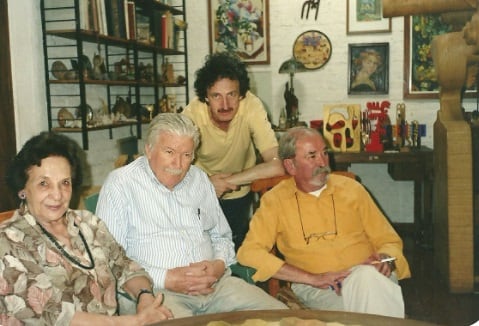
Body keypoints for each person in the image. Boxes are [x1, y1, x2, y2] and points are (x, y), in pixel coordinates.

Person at [95, 113, 287, 318]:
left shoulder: (199, 179)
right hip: (156, 294)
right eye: (169, 152)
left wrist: (218, 265)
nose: (178, 164)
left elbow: (221, 236)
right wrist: (166, 278)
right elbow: (109, 258)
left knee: (285, 319)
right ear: (149, 150)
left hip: (217, 288)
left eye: (186, 155)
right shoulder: (121, 184)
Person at [237, 126, 411, 318]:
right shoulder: (275, 201)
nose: (323, 162)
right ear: (290, 166)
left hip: (370, 274)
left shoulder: (352, 189)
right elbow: (249, 253)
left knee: (368, 280)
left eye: (324, 153)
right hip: (320, 288)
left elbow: (389, 240)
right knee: (375, 301)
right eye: (312, 156)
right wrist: (311, 278)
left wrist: (386, 258)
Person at [0, 132, 172, 325]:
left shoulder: (89, 224)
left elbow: (125, 267)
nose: (57, 195)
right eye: (43, 184)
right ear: (23, 189)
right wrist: (133, 322)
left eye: (65, 183)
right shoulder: (8, 243)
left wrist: (145, 297)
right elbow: (55, 315)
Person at [183, 52, 284, 250]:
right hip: (199, 193)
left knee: (235, 251)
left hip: (239, 193)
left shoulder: (252, 106)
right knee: (201, 252)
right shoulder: (191, 114)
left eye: (232, 95)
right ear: (205, 97)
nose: (226, 105)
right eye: (216, 96)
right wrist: (205, 184)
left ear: (241, 94)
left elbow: (277, 163)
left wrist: (230, 181)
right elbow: (175, 168)